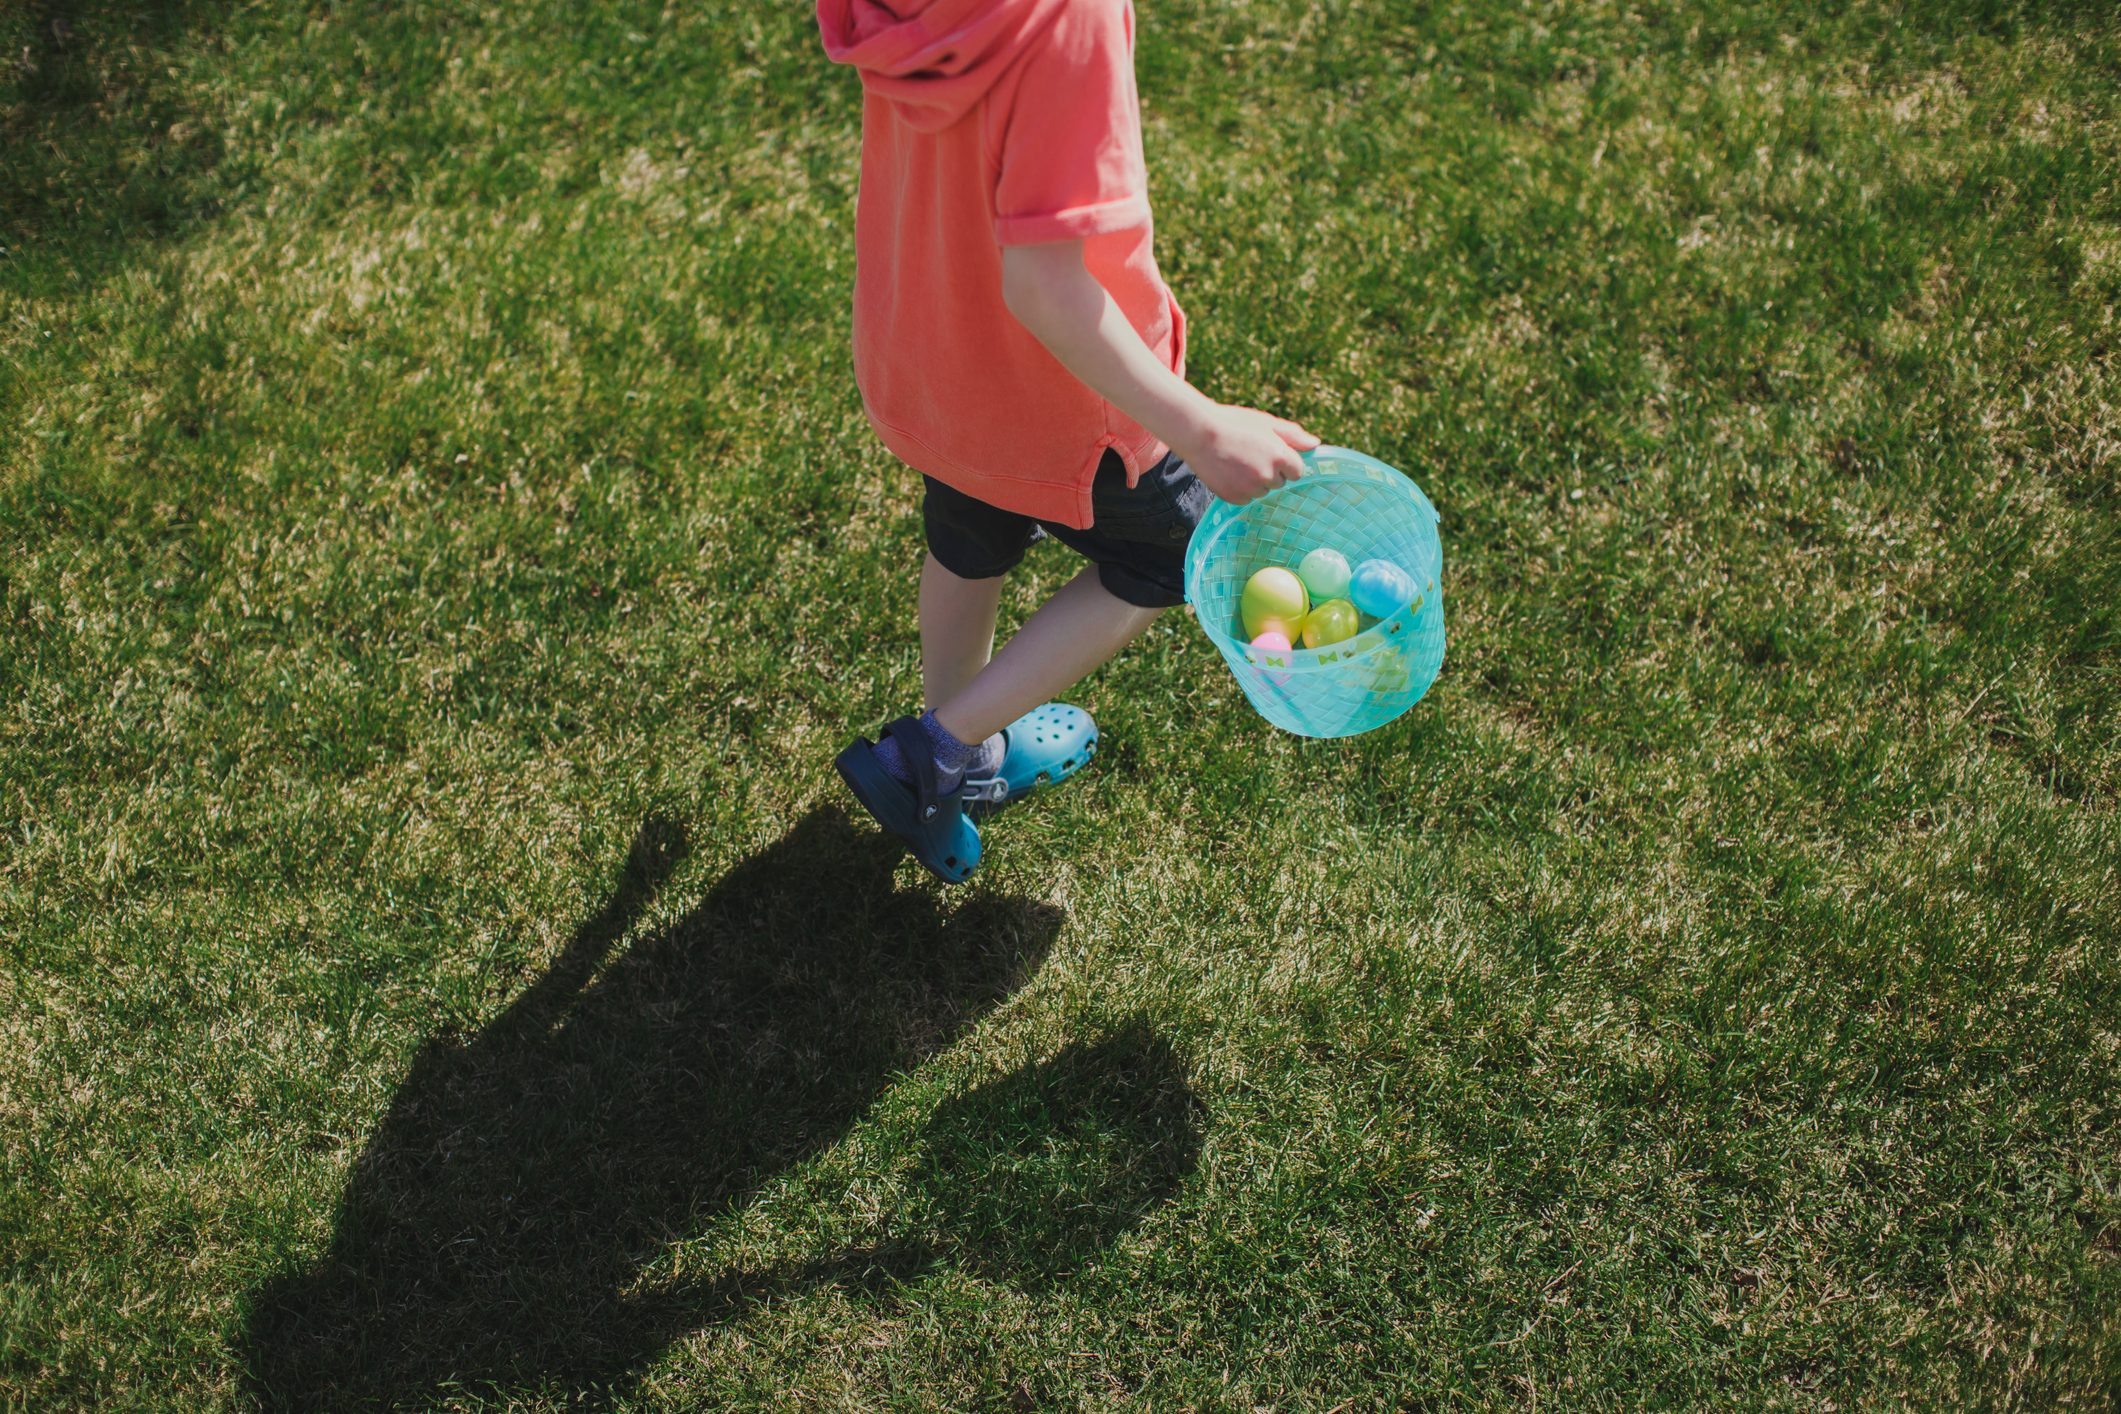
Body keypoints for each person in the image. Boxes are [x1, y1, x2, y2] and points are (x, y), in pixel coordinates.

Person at [817, 0, 1317, 881]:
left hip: (933, 347)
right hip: (1056, 396)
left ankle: (955, 765)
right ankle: (937, 750)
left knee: (968, 530)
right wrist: (1201, 429)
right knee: (1174, 551)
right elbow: (1047, 293)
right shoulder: (1064, 18)